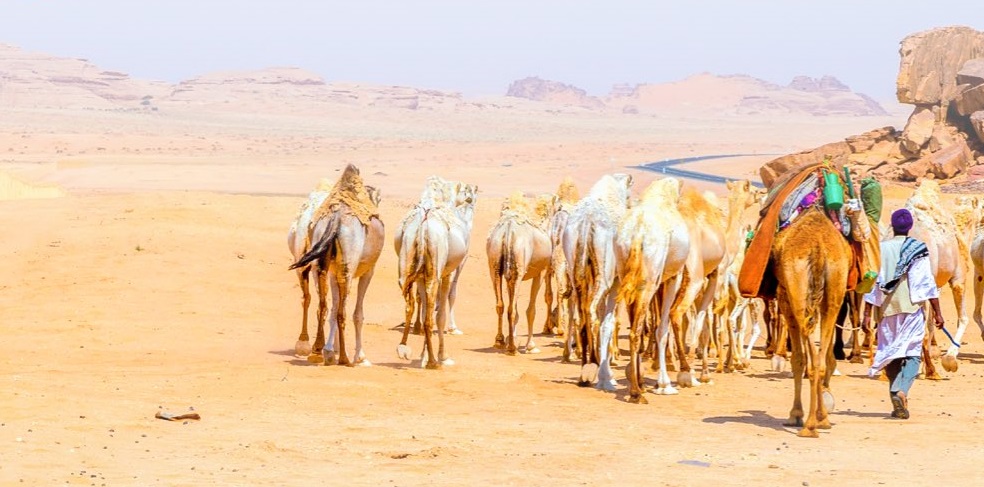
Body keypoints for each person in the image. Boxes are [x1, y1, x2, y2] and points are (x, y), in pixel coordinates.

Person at [861, 208, 943, 419]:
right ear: (910, 227)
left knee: (891, 354)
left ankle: (897, 401)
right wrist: (938, 312)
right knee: (913, 354)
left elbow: (873, 283)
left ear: (892, 225)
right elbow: (924, 282)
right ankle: (901, 391)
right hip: (911, 308)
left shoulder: (881, 249)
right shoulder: (917, 248)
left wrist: (867, 314)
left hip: (886, 310)